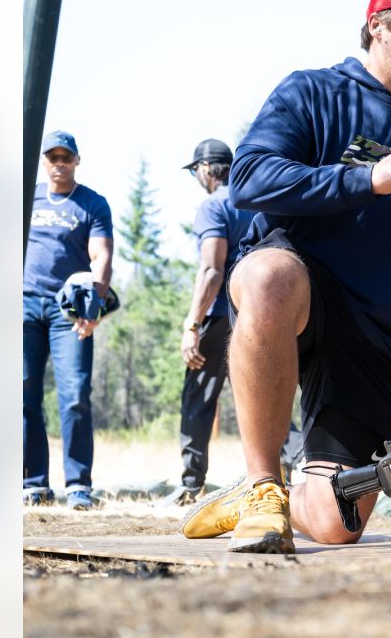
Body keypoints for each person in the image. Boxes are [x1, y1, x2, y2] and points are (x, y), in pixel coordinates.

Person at [180, 0, 391, 554]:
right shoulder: (312, 92)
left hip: (372, 337)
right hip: (298, 288)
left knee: (335, 526)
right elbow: (248, 179)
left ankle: (255, 496)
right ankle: (264, 485)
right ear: (377, 26)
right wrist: (364, 179)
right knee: (269, 275)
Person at [161, 139, 304, 507]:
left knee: (199, 399)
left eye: (196, 171)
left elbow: (211, 270)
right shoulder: (257, 200)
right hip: (265, 314)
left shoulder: (213, 205)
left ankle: (191, 485)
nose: (197, 178)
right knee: (271, 394)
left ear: (207, 169)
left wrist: (192, 324)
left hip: (224, 314)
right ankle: (296, 470)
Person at [23, 130, 114, 510]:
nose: (59, 163)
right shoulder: (25, 198)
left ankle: (78, 486)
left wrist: (93, 308)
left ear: (77, 161)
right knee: (22, 391)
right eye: (52, 157)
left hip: (69, 313)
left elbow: (101, 257)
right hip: (24, 306)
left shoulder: (91, 203)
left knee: (75, 396)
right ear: (43, 161)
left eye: (66, 157)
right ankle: (34, 484)